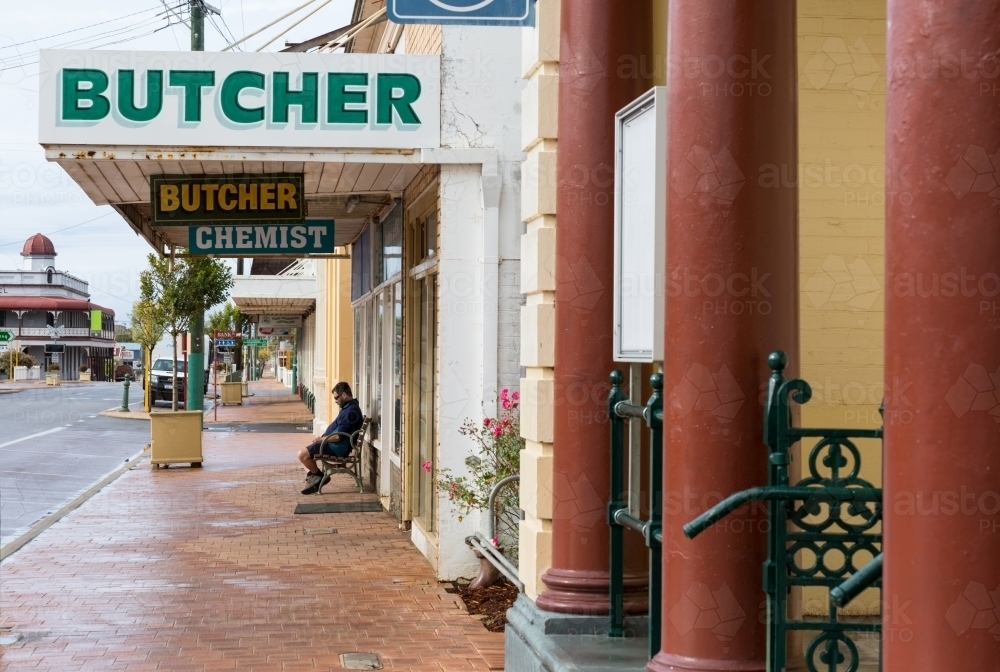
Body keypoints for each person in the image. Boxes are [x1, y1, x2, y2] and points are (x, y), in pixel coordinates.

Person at [298, 382, 364, 495]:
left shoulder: (350, 411)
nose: (335, 401)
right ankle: (314, 477)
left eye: (336, 398)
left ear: (344, 395)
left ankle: (318, 477)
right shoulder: (348, 408)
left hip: (337, 448)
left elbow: (339, 436)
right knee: (303, 458)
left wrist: (322, 440)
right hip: (331, 444)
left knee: (302, 455)